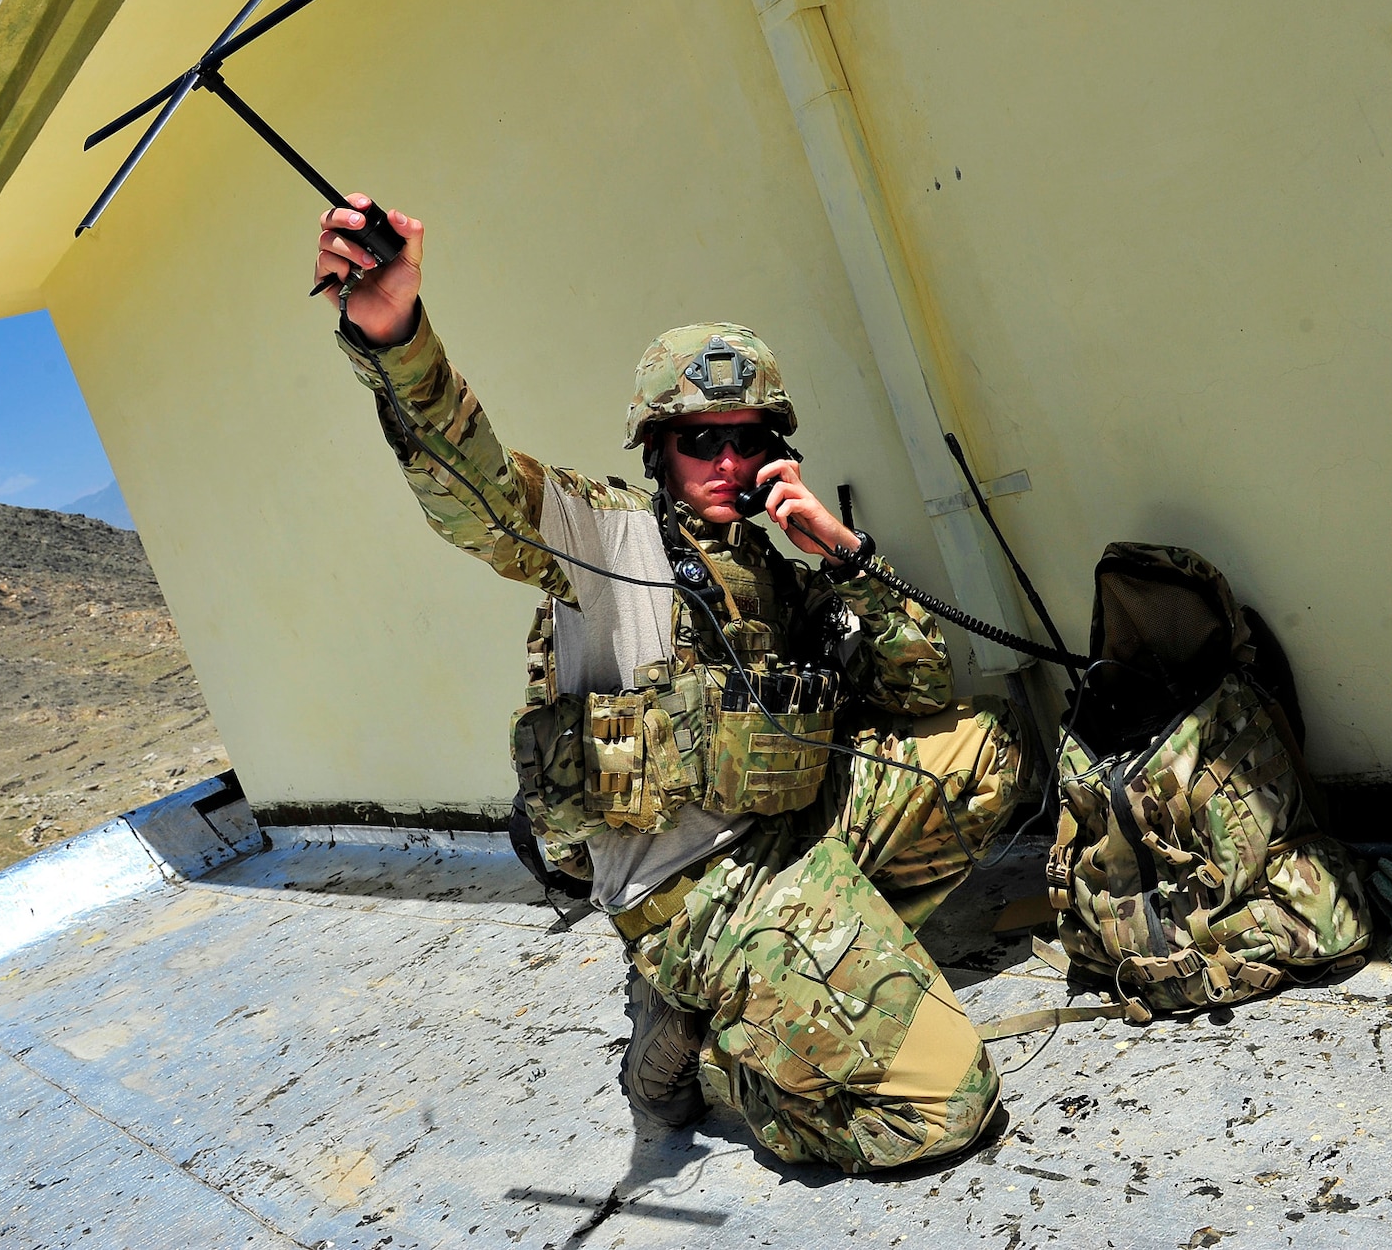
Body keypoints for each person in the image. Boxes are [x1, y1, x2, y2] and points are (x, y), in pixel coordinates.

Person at [316, 196, 1021, 1172]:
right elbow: (474, 497)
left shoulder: (777, 571)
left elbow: (920, 686)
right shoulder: (608, 544)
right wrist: (395, 340)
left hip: (791, 843)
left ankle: (814, 980)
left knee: (976, 754)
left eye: (750, 440)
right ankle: (722, 1039)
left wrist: (846, 554)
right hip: (688, 891)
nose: (728, 464)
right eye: (700, 440)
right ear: (656, 446)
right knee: (942, 1112)